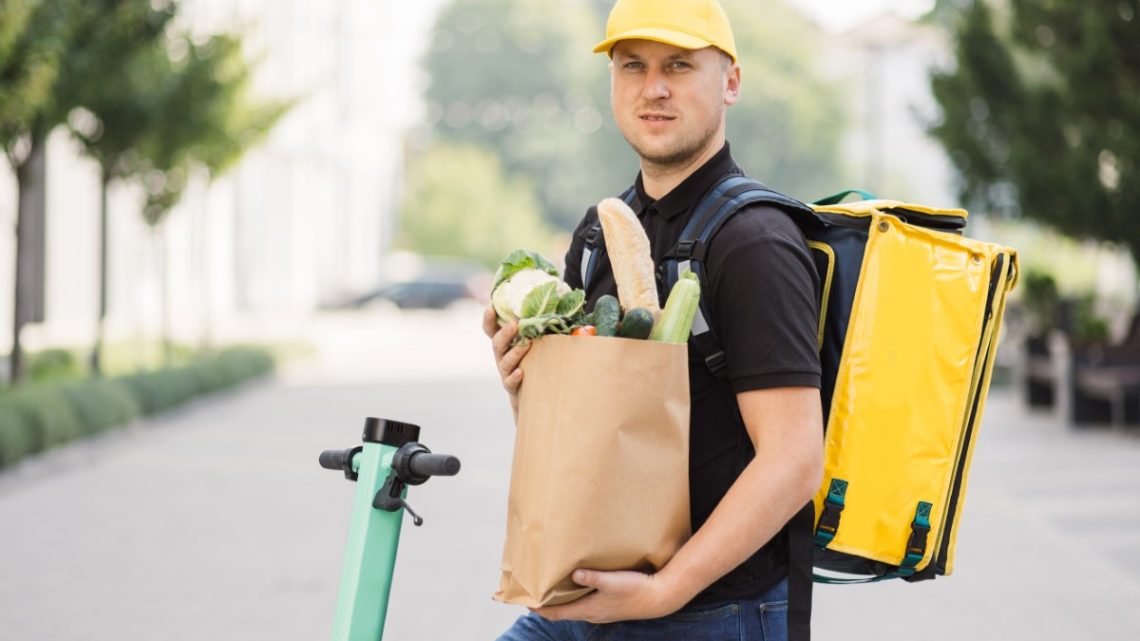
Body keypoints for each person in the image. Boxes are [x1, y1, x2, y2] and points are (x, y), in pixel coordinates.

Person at [481, 0, 824, 638]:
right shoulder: (599, 232)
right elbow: (586, 436)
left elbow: (795, 460)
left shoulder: (755, 242)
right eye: (632, 65)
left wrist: (663, 592)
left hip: (711, 611)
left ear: (731, 82)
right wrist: (522, 384)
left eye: (679, 65)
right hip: (588, 599)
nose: (653, 87)